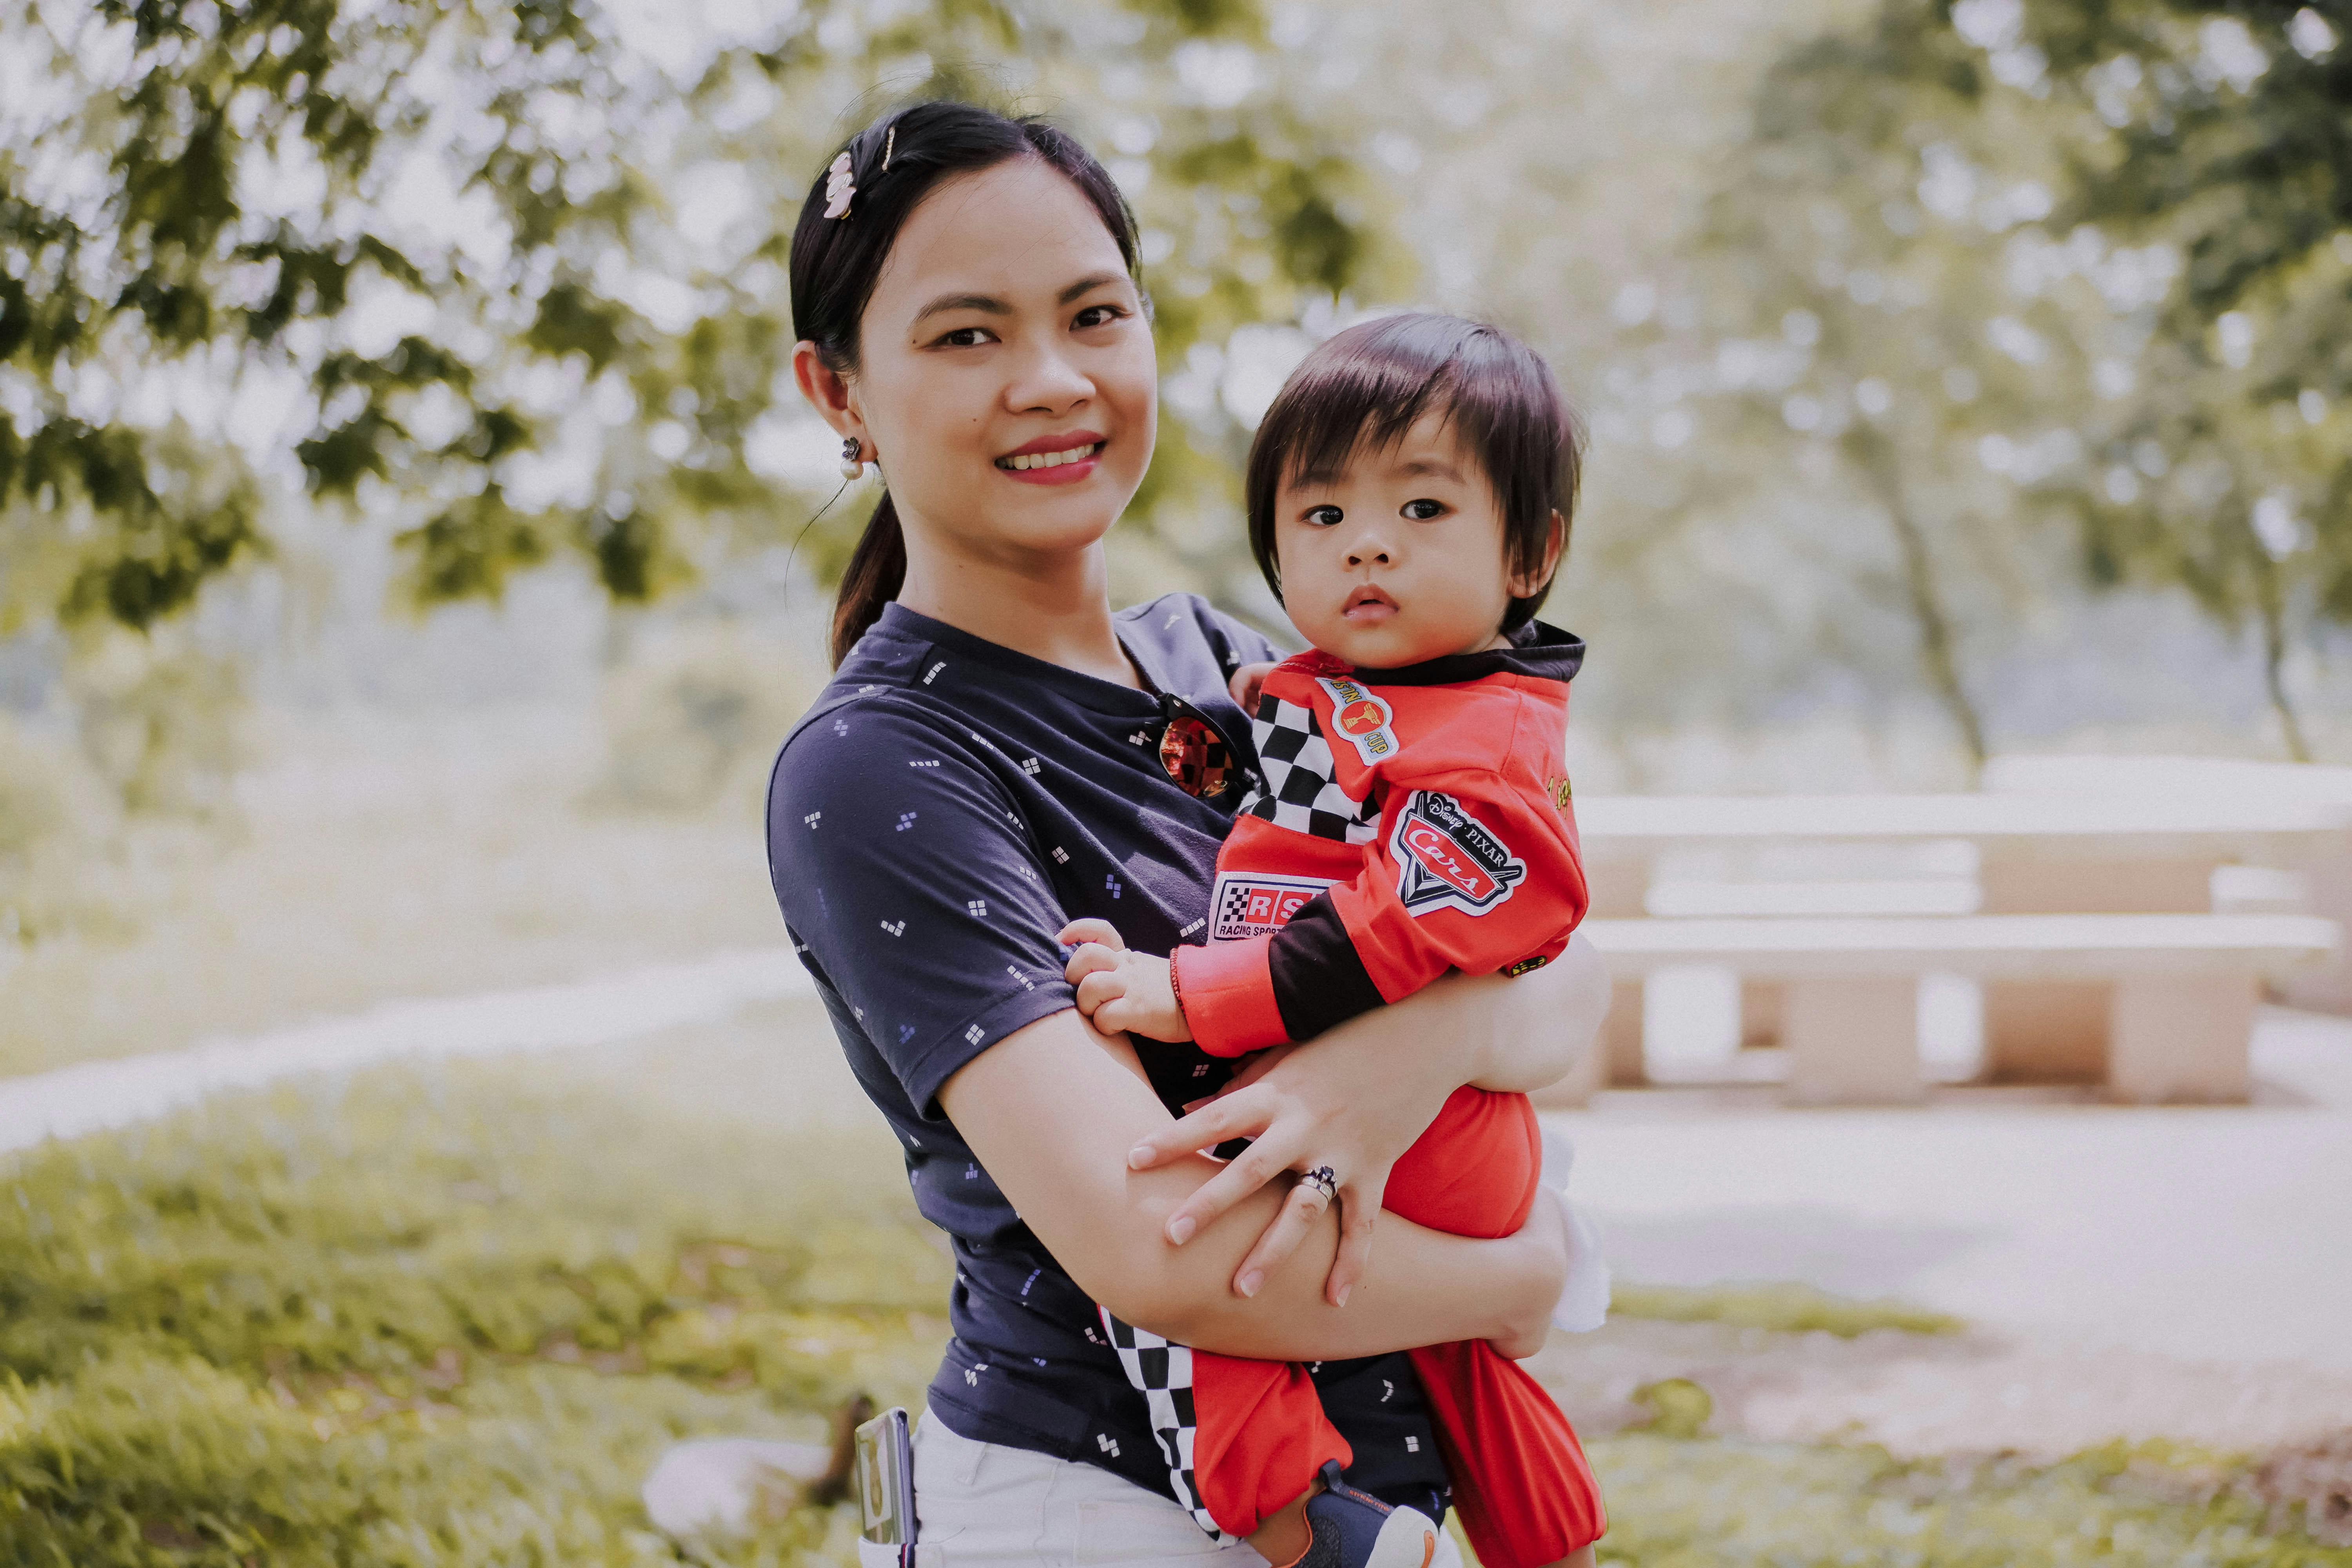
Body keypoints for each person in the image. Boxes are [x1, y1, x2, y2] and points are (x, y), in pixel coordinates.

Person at [765, 99, 1611, 1568]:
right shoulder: (881, 766)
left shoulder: (1235, 665)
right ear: (837, 390)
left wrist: (1400, 1059)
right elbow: (1181, 1254)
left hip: (1383, 1508)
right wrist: (1524, 1274)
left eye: (1095, 315)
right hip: (1107, 1520)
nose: (1052, 380)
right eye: (967, 336)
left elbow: (1560, 959)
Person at [1063, 314, 1607, 1568]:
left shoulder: (1492, 744)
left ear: (1531, 552)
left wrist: (1195, 1000)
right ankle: (1550, 1539)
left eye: (1422, 510)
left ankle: (1308, 1534)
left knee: (1192, 1274)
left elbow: (1381, 940)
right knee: (1468, 1372)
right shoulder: (1364, 694)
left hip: (1435, 1135)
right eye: (1321, 517)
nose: (1366, 541)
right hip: (1438, 1136)